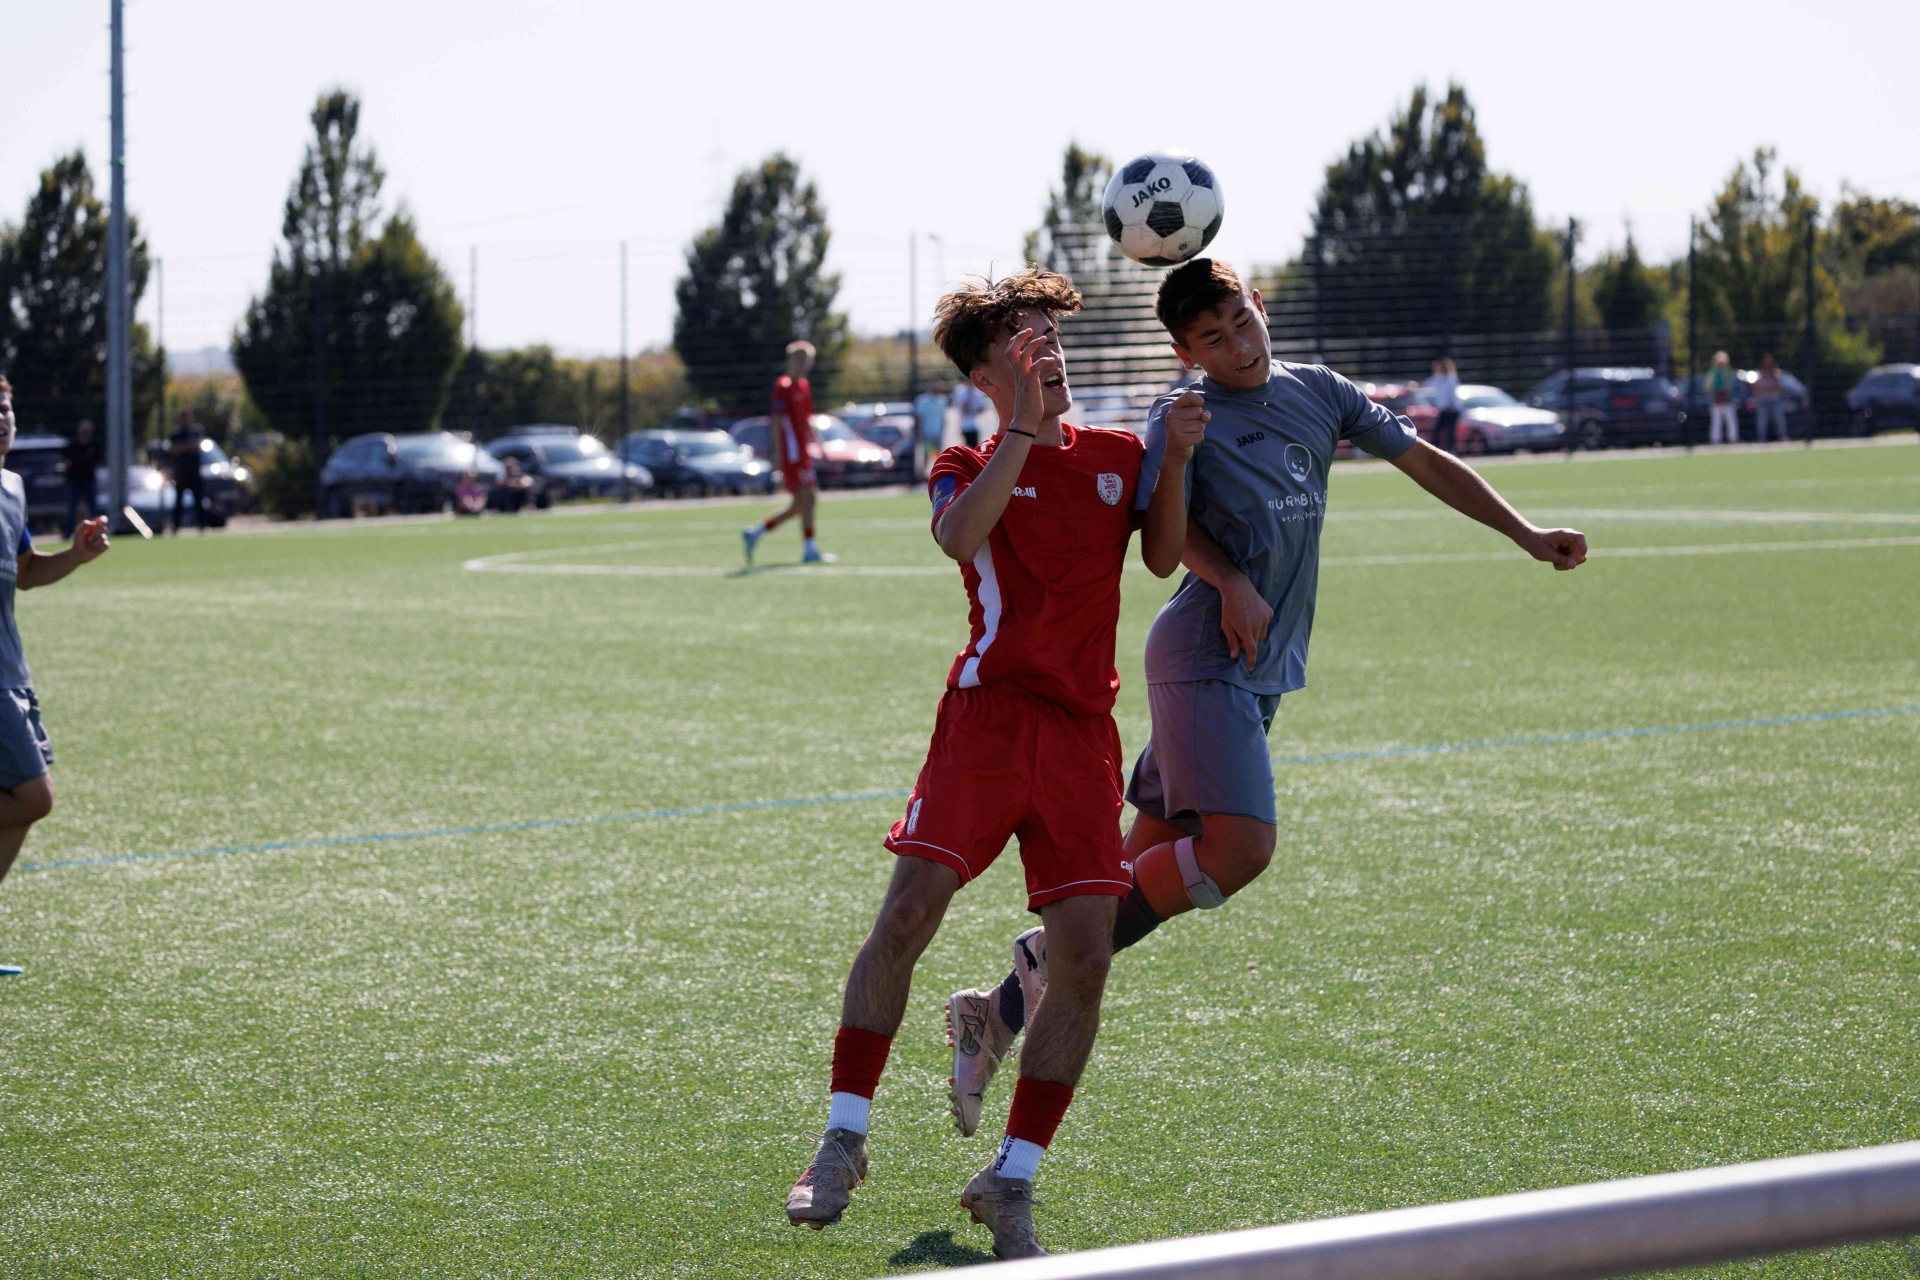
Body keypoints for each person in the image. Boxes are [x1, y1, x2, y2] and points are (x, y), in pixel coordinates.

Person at [946, 259, 1589, 1129]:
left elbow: (1426, 462)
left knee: (1132, 882)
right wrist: (1231, 580)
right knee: (1239, 851)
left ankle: (994, 1013)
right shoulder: (1181, 414)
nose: (1238, 347)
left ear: (1259, 306)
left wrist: (1525, 532)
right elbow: (1162, 536)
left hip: (1259, 666)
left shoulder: (1321, 391)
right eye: (1212, 339)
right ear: (1186, 352)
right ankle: (1045, 951)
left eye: (1242, 324)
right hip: (1203, 653)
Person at [783, 270, 1201, 1258]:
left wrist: (1176, 458)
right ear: (985, 375)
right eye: (1025, 344)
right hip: (986, 724)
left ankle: (1011, 1181)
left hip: (1081, 735)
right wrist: (1019, 426)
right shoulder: (965, 461)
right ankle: (843, 1136)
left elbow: (1161, 556)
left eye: (1052, 338)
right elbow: (956, 535)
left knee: (1085, 957)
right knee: (907, 915)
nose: (1047, 353)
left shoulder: (1115, 455)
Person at [0, 377, 112, 977]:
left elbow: (23, 571)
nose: (1, 418)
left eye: (5, 408)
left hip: (11, 668)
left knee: (22, 809)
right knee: (34, 797)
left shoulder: (12, 489)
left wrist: (74, 555)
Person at [742, 341, 831, 564]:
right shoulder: (782, 386)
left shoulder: (804, 386)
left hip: (802, 452)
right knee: (809, 497)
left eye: (807, 360)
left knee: (799, 505)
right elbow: (776, 423)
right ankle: (809, 549)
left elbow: (807, 418)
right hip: (792, 455)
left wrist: (818, 443)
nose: (803, 364)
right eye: (799, 359)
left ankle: (755, 533)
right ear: (791, 360)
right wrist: (778, 458)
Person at [167, 410, 208, 533]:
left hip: (195, 473)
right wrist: (187, 446)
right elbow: (174, 450)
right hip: (181, 474)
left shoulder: (196, 431)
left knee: (199, 501)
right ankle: (176, 526)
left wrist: (183, 446)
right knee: (178, 502)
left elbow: (197, 446)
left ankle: (202, 525)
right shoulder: (176, 434)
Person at [61, 418, 103, 537]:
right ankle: (68, 533)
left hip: (89, 480)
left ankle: (97, 532)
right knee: (72, 509)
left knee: (93, 508)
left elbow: (99, 460)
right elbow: (65, 460)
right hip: (74, 480)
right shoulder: (72, 445)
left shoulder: (94, 445)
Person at [913, 381, 949, 476]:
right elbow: (919, 418)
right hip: (927, 433)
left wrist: (943, 430)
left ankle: (939, 472)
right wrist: (920, 432)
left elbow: (943, 417)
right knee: (927, 454)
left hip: (938, 432)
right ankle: (923, 474)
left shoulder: (942, 400)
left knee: (938, 454)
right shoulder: (922, 400)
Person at [1426, 356, 1460, 451]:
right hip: (1443, 410)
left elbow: (1452, 394)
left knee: (1450, 433)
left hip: (1451, 410)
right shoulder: (1437, 378)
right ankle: (1436, 450)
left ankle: (1451, 451)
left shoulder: (1451, 378)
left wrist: (1449, 405)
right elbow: (1427, 384)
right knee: (1437, 432)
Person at [1753, 354, 1788, 443]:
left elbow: (1779, 388)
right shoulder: (1759, 375)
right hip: (1763, 401)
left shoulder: (1776, 374)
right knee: (1762, 421)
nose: (1768, 365)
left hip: (1775, 400)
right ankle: (1762, 439)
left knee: (1779, 419)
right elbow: (1756, 389)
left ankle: (1783, 437)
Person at [1707, 351, 1739, 445]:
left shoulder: (1728, 371)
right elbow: (1707, 387)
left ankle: (1733, 439)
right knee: (1716, 421)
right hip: (1716, 401)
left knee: (1731, 420)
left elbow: (1732, 386)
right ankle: (1715, 440)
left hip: (1728, 400)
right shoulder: (1712, 372)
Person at [951, 375, 989, 449]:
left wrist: (975, 410)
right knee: (967, 448)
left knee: (975, 447)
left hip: (975, 425)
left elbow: (981, 408)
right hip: (964, 425)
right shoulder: (960, 391)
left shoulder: (977, 392)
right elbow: (963, 409)